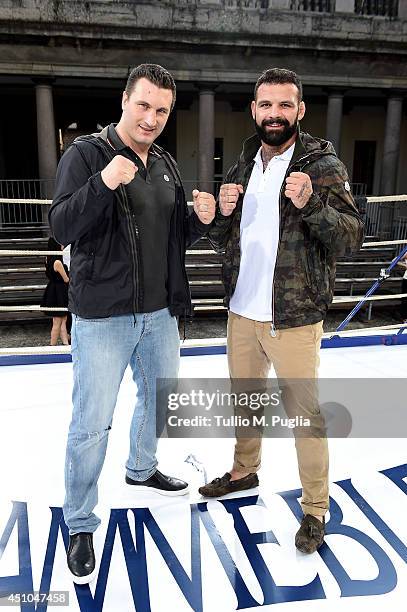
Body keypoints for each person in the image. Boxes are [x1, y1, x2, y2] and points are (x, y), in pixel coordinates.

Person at [48, 63, 215, 584]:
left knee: (159, 397)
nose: (152, 118)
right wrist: (102, 183)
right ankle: (79, 523)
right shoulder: (85, 155)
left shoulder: (164, 162)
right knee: (91, 423)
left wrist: (202, 220)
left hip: (159, 312)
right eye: (143, 105)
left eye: (162, 110)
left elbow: (169, 241)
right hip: (102, 316)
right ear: (125, 100)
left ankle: (140, 469)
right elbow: (60, 226)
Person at [201, 68, 364, 554]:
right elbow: (225, 243)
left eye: (284, 105)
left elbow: (351, 236)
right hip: (242, 313)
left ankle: (315, 509)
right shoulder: (243, 165)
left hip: (294, 317)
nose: (275, 114)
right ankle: (244, 471)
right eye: (266, 105)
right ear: (254, 110)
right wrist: (217, 217)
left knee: (305, 418)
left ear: (300, 110)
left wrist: (312, 203)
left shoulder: (322, 164)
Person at [40, 237, 69, 345]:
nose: (63, 246)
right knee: (58, 321)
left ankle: (66, 344)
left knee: (63, 321)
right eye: (61, 244)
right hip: (59, 292)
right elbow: (66, 279)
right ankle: (52, 345)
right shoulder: (57, 262)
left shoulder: (47, 259)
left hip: (54, 290)